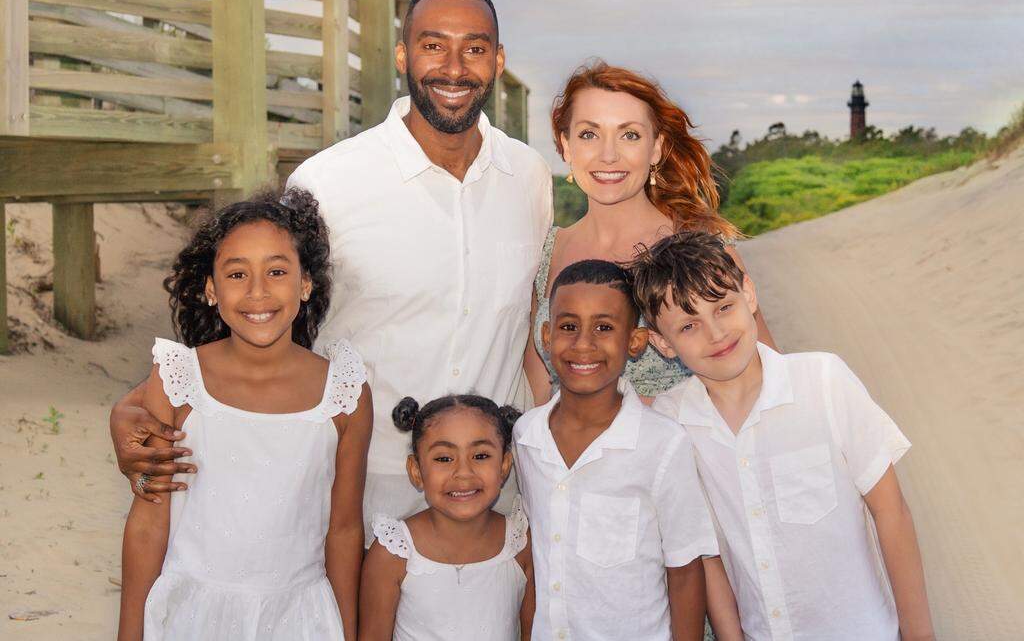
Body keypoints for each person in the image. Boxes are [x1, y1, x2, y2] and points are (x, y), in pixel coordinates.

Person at [108, 0, 553, 520]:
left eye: (475, 48)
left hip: (491, 485)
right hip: (359, 478)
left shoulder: (528, 177)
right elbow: (258, 309)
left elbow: (530, 325)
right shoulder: (329, 182)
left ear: (498, 60)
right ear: (402, 56)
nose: (454, 68)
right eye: (434, 45)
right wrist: (139, 403)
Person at [628, 232, 936, 641]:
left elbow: (891, 511)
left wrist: (920, 635)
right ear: (662, 343)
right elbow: (709, 557)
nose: (715, 333)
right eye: (689, 325)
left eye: (723, 307)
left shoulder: (823, 380)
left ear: (749, 294)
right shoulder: (673, 423)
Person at [116, 190, 373, 641]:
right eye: (237, 274)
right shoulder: (178, 381)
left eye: (277, 271)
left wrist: (346, 631)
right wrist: (129, 633)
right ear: (211, 289)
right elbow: (148, 523)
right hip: (191, 616)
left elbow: (345, 528)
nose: (258, 291)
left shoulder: (344, 394)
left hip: (300, 619)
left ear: (306, 283)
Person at [525, 60, 776, 407]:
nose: (608, 155)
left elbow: (769, 381)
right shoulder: (547, 252)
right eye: (589, 134)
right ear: (566, 146)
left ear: (655, 147)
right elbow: (538, 395)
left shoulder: (699, 247)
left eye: (629, 135)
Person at [514, 259, 718, 641]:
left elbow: (685, 571)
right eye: (568, 326)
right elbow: (536, 562)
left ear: (635, 342)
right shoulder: (527, 437)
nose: (583, 344)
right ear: (546, 335)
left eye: (604, 328)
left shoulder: (663, 443)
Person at [360, 395, 534, 641]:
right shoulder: (393, 554)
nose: (463, 472)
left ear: (505, 466)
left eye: (480, 456)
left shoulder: (521, 544)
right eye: (444, 458)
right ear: (416, 471)